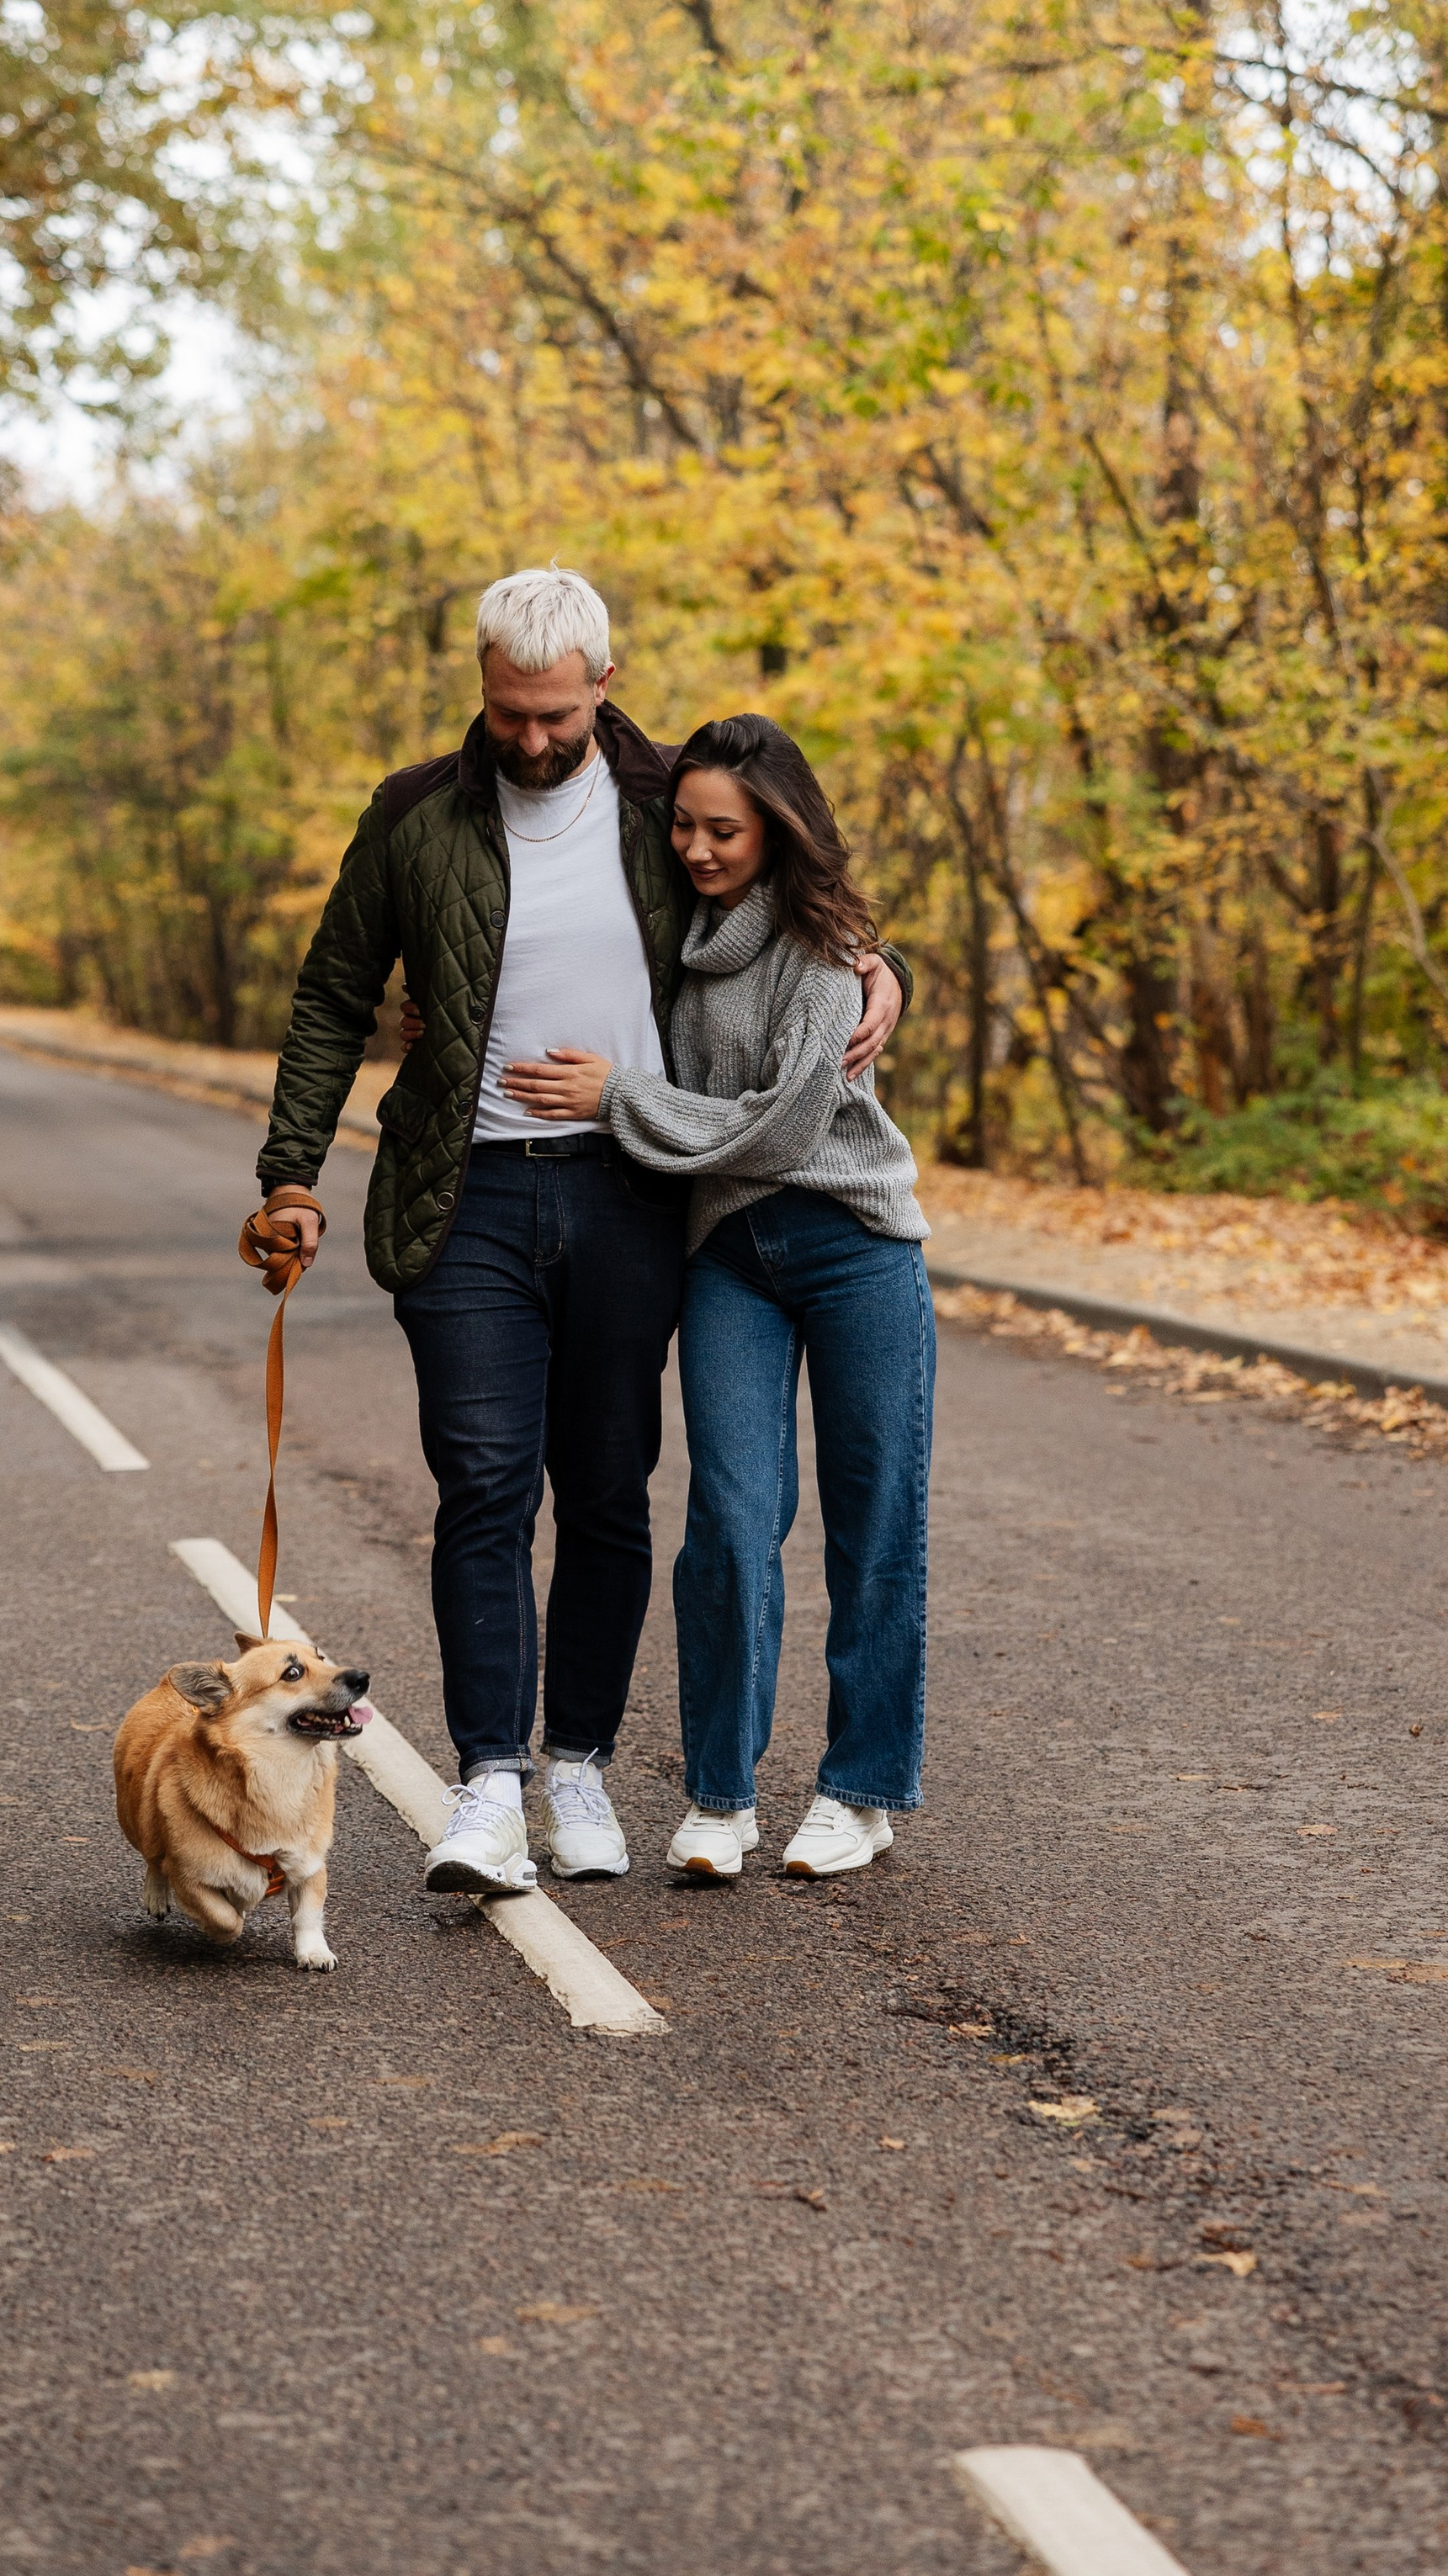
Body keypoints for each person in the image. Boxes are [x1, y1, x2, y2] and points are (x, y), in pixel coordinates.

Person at [245, 571, 908, 1897]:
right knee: (483, 1483)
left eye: (555, 715)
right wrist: (290, 1175)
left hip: (634, 1192)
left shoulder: (670, 798)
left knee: (606, 1493)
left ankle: (583, 1767)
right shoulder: (413, 814)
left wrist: (886, 970)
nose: (533, 740)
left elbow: (792, 893)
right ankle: (490, 1782)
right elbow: (331, 995)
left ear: (605, 683)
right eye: (508, 713)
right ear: (481, 687)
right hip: (466, 1192)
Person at [501, 712, 934, 1881]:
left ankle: (861, 1789)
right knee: (731, 1527)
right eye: (683, 826)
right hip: (729, 1253)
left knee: (875, 1525)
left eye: (724, 832)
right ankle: (723, 1795)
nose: (696, 849)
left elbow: (792, 1127)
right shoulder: (667, 931)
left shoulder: (829, 954)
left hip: (855, 1242)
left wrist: (621, 1102)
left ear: (779, 828)